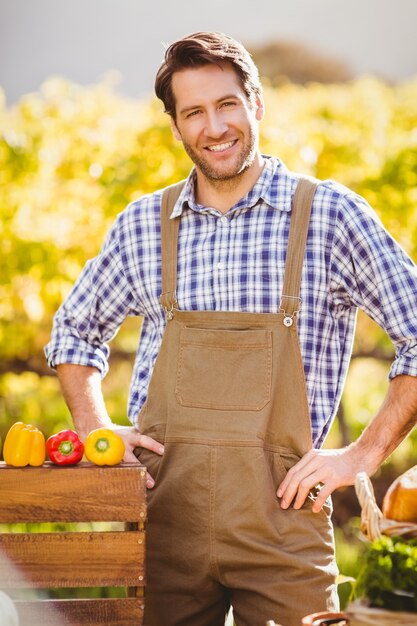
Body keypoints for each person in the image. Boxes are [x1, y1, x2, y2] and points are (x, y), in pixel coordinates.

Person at [45, 32, 417, 626]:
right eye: (193, 112)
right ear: (176, 127)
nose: (214, 127)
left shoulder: (329, 215)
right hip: (163, 525)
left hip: (286, 529)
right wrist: (94, 430)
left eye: (226, 105)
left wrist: (361, 455)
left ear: (257, 105)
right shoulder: (143, 225)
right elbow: (74, 332)